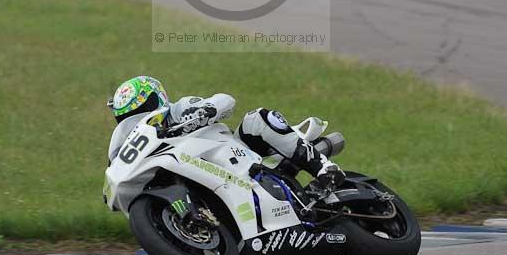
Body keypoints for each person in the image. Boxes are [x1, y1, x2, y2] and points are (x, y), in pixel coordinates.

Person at [107, 75, 344, 186]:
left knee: (257, 118)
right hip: (204, 176)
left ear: (157, 98)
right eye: (126, 116)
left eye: (143, 107)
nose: (136, 118)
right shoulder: (138, 141)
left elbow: (225, 100)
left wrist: (207, 110)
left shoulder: (179, 109)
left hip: (238, 156)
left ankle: (323, 167)